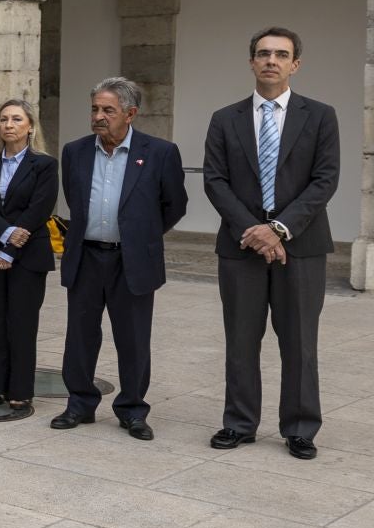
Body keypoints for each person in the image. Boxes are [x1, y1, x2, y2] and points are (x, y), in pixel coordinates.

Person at [204, 27, 339, 460]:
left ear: (295, 64)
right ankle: (239, 423)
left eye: (281, 54)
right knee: (241, 341)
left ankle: (299, 427)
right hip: (241, 248)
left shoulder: (319, 115)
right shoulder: (225, 118)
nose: (271, 61)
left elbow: (325, 180)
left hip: (301, 248)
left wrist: (278, 229)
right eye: (263, 53)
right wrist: (255, 232)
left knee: (299, 342)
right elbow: (216, 181)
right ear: (251, 62)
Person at [53, 77, 188, 438]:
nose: (99, 116)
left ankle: (132, 409)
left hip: (131, 260)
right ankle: (79, 404)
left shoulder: (160, 152)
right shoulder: (75, 151)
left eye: (108, 110)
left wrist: (139, 235)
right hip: (86, 257)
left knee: (132, 338)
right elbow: (75, 200)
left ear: (130, 113)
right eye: (95, 109)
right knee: (80, 336)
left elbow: (175, 205)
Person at [0, 100, 58, 411]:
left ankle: (20, 389)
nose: (8, 124)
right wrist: (6, 236)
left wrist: (10, 248)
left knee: (21, 323)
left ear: (30, 126)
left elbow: (39, 208)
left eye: (16, 119)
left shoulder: (45, 165)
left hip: (29, 254)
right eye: (4, 119)